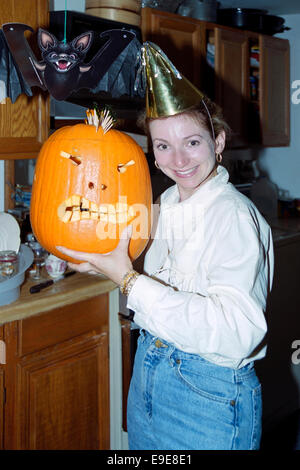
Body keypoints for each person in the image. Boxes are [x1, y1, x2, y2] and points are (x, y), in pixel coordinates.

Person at [57, 42, 274, 450]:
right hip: (150, 375)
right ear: (152, 155)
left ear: (219, 142)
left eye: (192, 142)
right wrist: (95, 259)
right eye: (162, 146)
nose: (178, 159)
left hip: (208, 396)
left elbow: (237, 332)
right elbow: (135, 262)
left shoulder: (233, 217)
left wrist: (127, 281)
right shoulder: (167, 205)